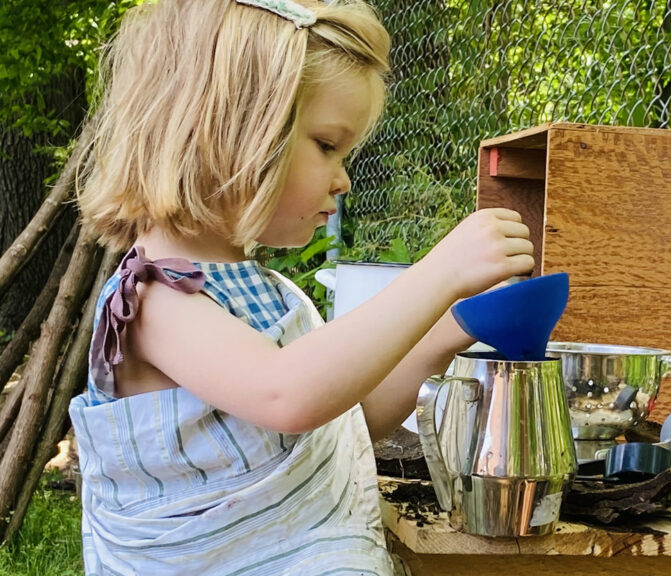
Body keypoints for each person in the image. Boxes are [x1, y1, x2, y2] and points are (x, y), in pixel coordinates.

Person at [68, 0, 534, 574]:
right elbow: (288, 396)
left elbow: (344, 418)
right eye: (326, 145)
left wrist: (451, 327)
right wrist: (439, 272)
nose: (342, 179)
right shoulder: (153, 298)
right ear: (227, 129)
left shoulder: (267, 292)